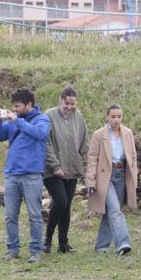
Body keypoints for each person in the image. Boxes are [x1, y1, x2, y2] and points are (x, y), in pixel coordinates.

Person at [0, 88, 50, 263]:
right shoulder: (11, 120)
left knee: (34, 215)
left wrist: (17, 120)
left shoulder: (42, 119)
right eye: (13, 107)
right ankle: (13, 249)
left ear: (29, 104)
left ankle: (35, 251)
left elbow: (38, 133)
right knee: (10, 215)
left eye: (18, 106)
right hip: (11, 175)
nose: (14, 109)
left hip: (31, 175)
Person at [85, 104, 138, 255]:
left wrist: (133, 175)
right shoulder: (98, 134)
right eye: (113, 117)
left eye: (119, 116)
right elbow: (92, 159)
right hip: (105, 176)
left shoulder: (128, 133)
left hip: (122, 174)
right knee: (115, 209)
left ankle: (101, 246)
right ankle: (123, 244)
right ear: (107, 117)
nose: (116, 120)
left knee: (111, 211)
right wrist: (90, 180)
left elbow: (133, 157)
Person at [43, 86, 89, 254]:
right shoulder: (48, 116)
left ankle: (63, 243)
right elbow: (46, 144)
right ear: (60, 101)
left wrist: (85, 168)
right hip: (51, 170)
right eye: (66, 104)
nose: (69, 107)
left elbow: (84, 145)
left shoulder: (79, 118)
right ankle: (47, 239)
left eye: (72, 104)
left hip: (72, 169)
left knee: (67, 205)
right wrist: (54, 166)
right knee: (60, 201)